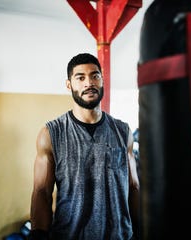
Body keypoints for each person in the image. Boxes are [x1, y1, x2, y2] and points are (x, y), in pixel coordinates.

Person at [29, 53, 140, 240]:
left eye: (95, 76)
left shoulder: (123, 131)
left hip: (120, 236)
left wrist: (141, 229)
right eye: (80, 78)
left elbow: (133, 186)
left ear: (102, 80)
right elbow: (42, 192)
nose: (89, 83)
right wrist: (39, 234)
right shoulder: (51, 134)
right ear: (69, 85)